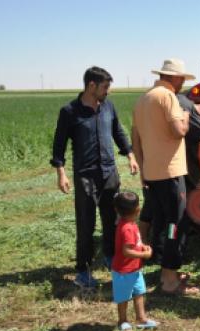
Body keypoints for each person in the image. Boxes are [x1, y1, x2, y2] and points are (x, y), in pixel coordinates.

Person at [50, 66, 139, 288]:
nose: (108, 91)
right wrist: (61, 174)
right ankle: (83, 270)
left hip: (109, 172)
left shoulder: (108, 107)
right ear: (92, 85)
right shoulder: (70, 111)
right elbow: (59, 145)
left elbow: (118, 132)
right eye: (105, 87)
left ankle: (110, 256)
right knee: (86, 223)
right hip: (85, 175)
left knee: (112, 219)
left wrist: (130, 155)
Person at [131, 58, 199, 295]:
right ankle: (170, 279)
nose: (182, 84)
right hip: (171, 174)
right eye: (182, 79)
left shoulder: (143, 99)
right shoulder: (168, 97)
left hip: (152, 173)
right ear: (176, 78)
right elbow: (178, 131)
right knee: (176, 224)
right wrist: (186, 118)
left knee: (163, 222)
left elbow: (136, 140)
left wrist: (143, 169)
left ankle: (165, 271)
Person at [111, 191, 158, 331]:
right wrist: (144, 254)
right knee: (123, 298)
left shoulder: (130, 224)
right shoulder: (127, 229)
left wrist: (142, 245)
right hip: (123, 271)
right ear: (138, 209)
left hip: (134, 270)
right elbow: (126, 251)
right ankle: (122, 321)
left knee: (139, 293)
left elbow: (134, 243)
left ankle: (141, 319)